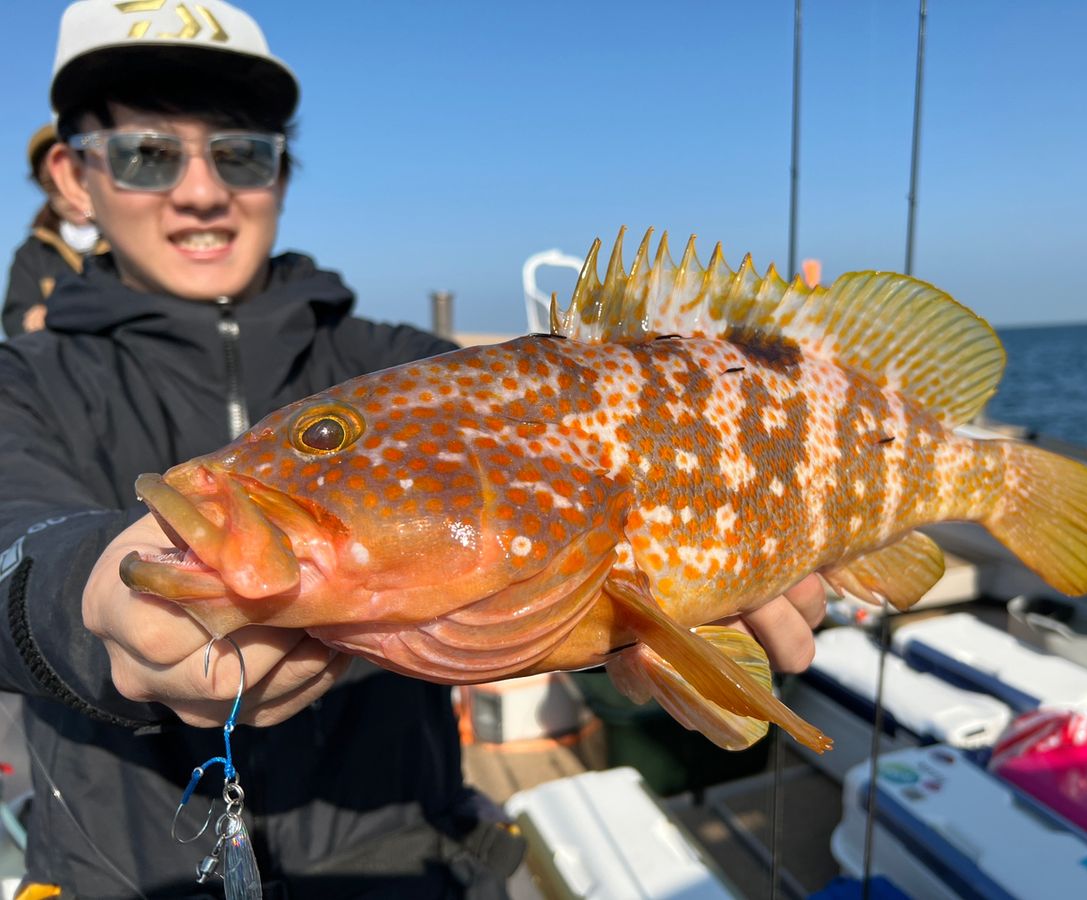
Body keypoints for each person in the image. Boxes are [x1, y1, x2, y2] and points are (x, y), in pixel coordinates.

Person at [0, 1, 826, 897]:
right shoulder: (21, 382)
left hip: (409, 862)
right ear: (72, 178)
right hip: (120, 876)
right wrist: (88, 587)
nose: (202, 192)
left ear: (280, 170)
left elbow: (566, 505)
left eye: (241, 152)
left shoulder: (403, 368)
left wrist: (663, 606)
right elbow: (15, 541)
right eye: (147, 154)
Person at [2, 123, 106, 337]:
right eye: (55, 187)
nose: (71, 197)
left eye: (83, 179)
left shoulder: (129, 243)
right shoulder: (31, 255)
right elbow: (15, 319)